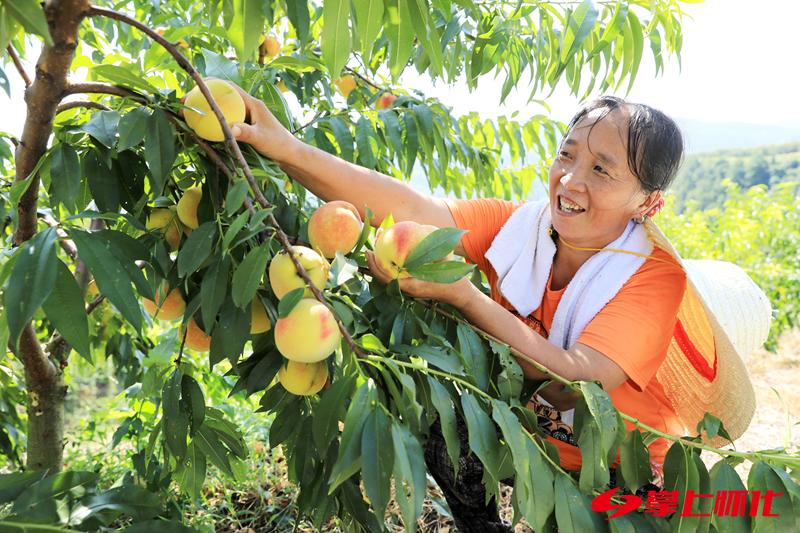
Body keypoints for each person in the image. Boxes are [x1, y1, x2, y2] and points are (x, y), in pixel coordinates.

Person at [227, 86, 769, 532]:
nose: (570, 179)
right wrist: (286, 149)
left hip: (619, 472)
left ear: (648, 202)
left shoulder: (653, 278)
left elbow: (576, 383)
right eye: (567, 154)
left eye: (602, 170)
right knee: (436, 414)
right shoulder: (519, 230)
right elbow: (409, 208)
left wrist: (465, 297)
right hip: (526, 438)